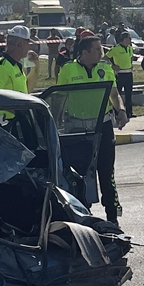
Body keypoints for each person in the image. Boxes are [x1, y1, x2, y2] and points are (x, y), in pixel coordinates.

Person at [56, 36, 129, 223]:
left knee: (106, 172)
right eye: (97, 49)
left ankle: (113, 218)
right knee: (78, 174)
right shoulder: (68, 70)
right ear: (85, 52)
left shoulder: (105, 69)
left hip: (102, 126)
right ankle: (83, 217)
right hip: (77, 127)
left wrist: (121, 110)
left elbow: (114, 94)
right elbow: (59, 98)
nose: (101, 52)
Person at [105, 31, 136, 118]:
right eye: (129, 38)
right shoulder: (116, 48)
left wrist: (131, 64)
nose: (130, 40)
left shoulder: (130, 48)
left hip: (128, 73)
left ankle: (129, 112)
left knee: (128, 93)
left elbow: (131, 57)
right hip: (120, 74)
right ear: (124, 39)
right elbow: (106, 57)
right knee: (117, 94)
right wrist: (113, 66)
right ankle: (117, 112)